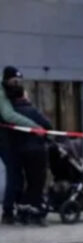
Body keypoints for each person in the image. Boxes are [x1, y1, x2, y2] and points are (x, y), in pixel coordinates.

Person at [5, 68, 51, 226]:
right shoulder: (30, 110)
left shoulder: (13, 111)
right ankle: (35, 212)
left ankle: (21, 209)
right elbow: (47, 126)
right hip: (36, 151)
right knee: (37, 181)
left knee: (23, 180)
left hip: (19, 150)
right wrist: (42, 132)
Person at [0, 66, 40, 225]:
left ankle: (15, 207)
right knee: (14, 174)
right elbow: (8, 115)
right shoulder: (1, 93)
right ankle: (8, 212)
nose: (17, 84)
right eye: (14, 81)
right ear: (6, 80)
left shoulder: (8, 91)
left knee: (17, 174)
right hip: (3, 140)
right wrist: (34, 126)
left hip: (9, 139)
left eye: (19, 81)